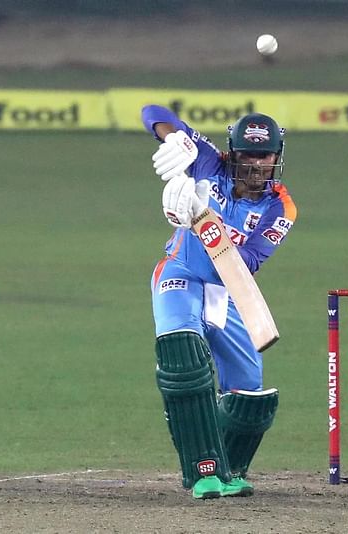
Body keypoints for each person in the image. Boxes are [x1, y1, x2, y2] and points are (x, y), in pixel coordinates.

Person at [142, 104, 297, 499]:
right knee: (184, 359)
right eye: (246, 153)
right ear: (233, 151)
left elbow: (245, 263)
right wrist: (173, 136)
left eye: (263, 155)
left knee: (250, 395)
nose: (254, 163)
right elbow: (153, 112)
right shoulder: (209, 162)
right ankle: (202, 471)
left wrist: (201, 216)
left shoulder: (279, 207)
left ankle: (227, 467)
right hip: (180, 274)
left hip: (228, 289)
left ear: (277, 157)